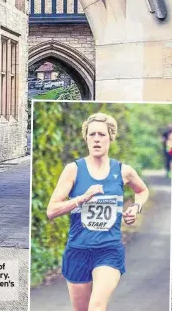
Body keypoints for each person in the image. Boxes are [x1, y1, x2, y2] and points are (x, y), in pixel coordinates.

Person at [47, 113, 149, 311]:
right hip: (78, 250)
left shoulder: (123, 171)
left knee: (96, 305)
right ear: (85, 138)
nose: (96, 139)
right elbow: (52, 210)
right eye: (91, 134)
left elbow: (142, 190)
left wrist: (136, 208)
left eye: (101, 134)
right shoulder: (73, 170)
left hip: (108, 250)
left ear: (111, 137)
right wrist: (81, 199)